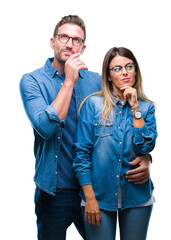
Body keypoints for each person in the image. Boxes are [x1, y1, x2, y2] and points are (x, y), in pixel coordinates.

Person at [19, 14, 152, 240]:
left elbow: (123, 124)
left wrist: (145, 157)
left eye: (76, 40)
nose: (69, 44)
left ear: (83, 47)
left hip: (95, 189)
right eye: (64, 37)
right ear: (53, 42)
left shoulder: (96, 80)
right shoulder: (32, 81)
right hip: (54, 190)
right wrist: (69, 81)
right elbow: (46, 129)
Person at [72, 47, 157, 240]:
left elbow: (146, 146)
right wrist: (90, 198)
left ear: (136, 70)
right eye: (117, 68)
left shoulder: (146, 107)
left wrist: (135, 106)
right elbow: (82, 154)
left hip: (137, 197)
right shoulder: (92, 105)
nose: (125, 72)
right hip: (98, 198)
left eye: (129, 66)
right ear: (109, 76)